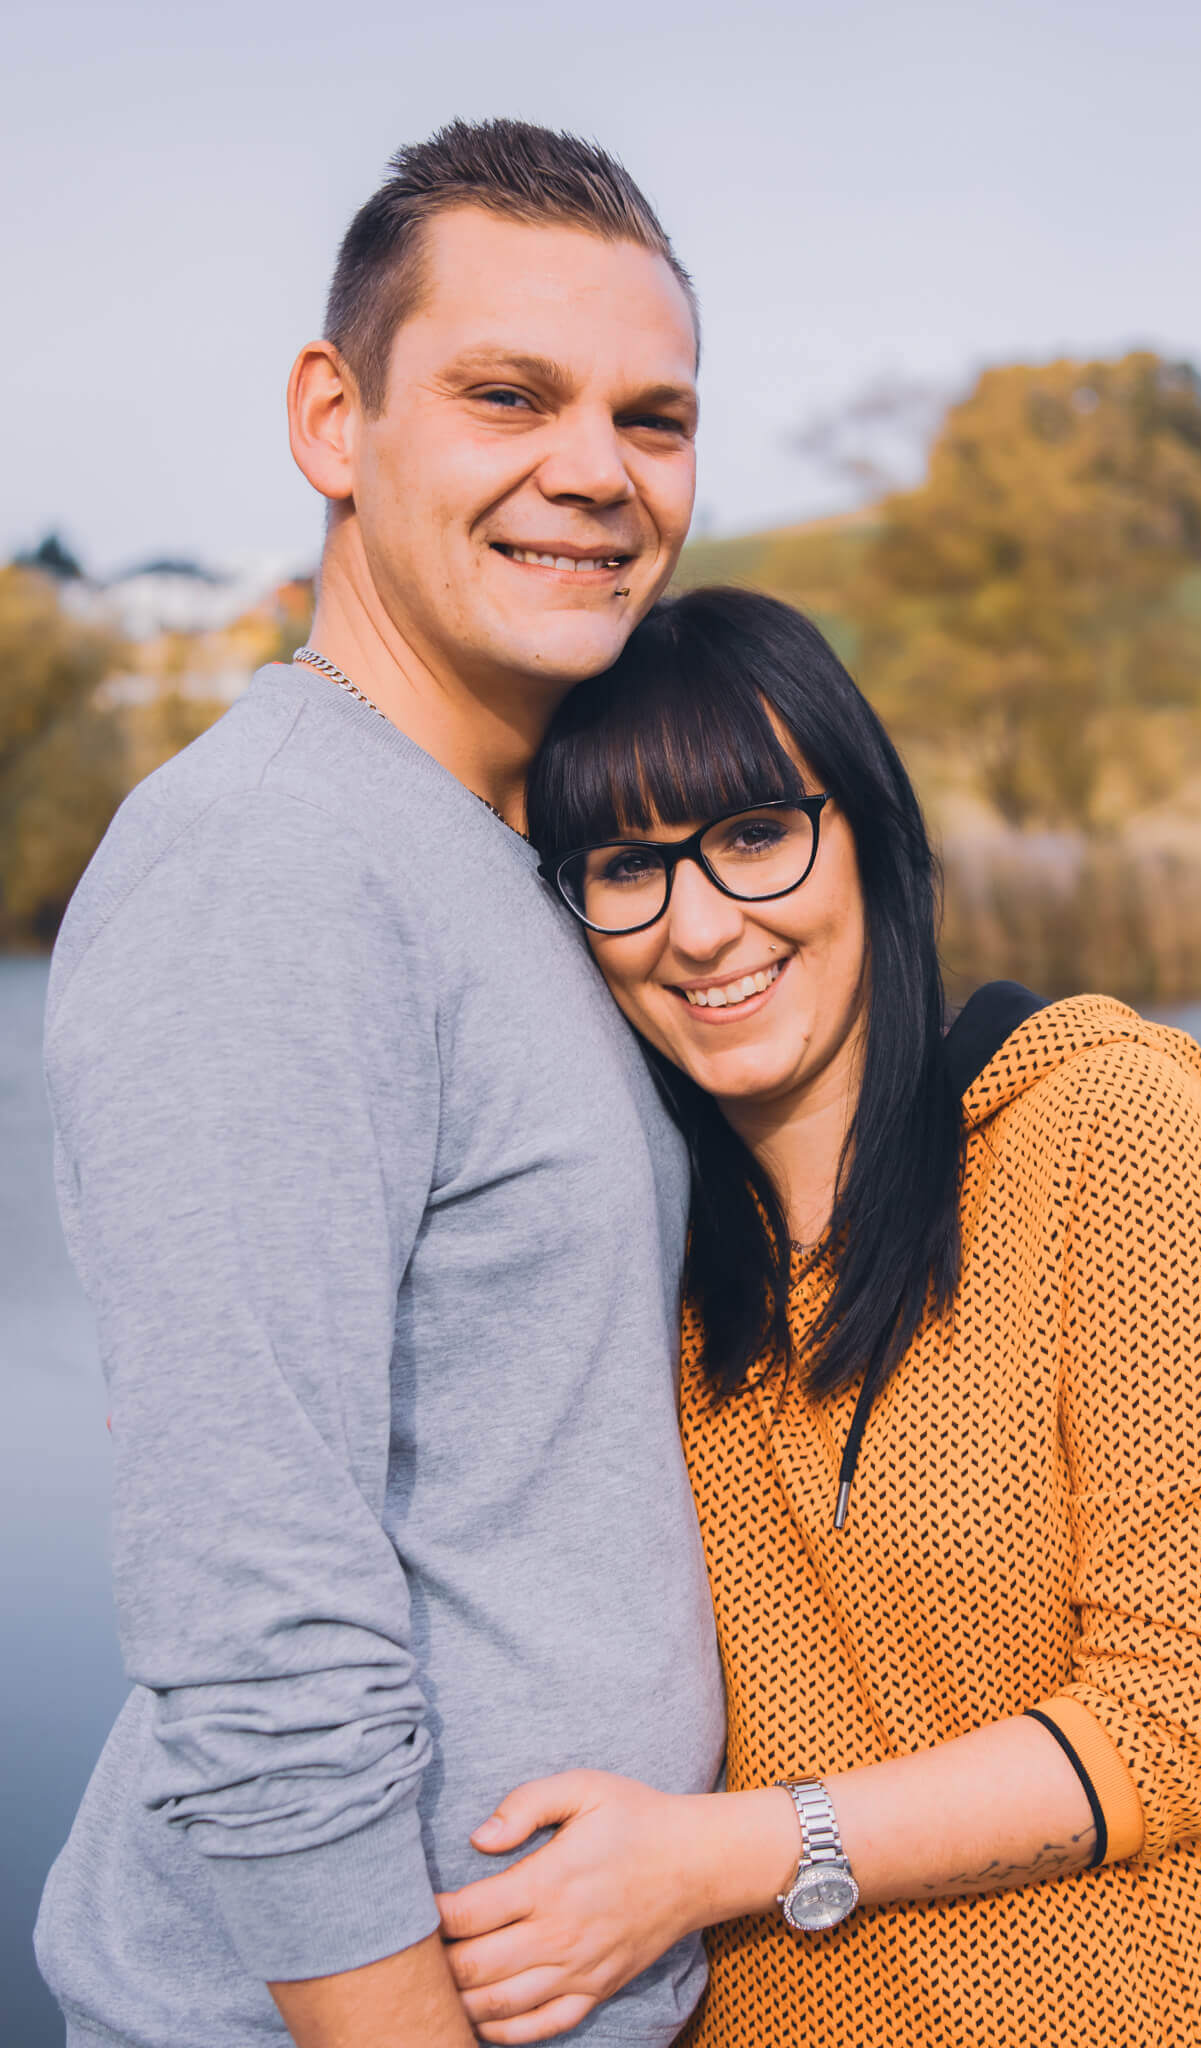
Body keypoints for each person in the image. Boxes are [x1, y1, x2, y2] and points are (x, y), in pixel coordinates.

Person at [35, 121, 725, 2048]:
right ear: (332, 421)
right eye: (508, 394)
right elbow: (252, 1603)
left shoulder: (496, 855)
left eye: (650, 416)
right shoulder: (270, 868)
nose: (591, 468)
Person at [437, 585, 1201, 2048]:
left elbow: (1180, 1721)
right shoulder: (633, 1254)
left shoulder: (1092, 1134)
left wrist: (709, 1858)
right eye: (625, 866)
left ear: (866, 831)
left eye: (751, 836)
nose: (701, 925)